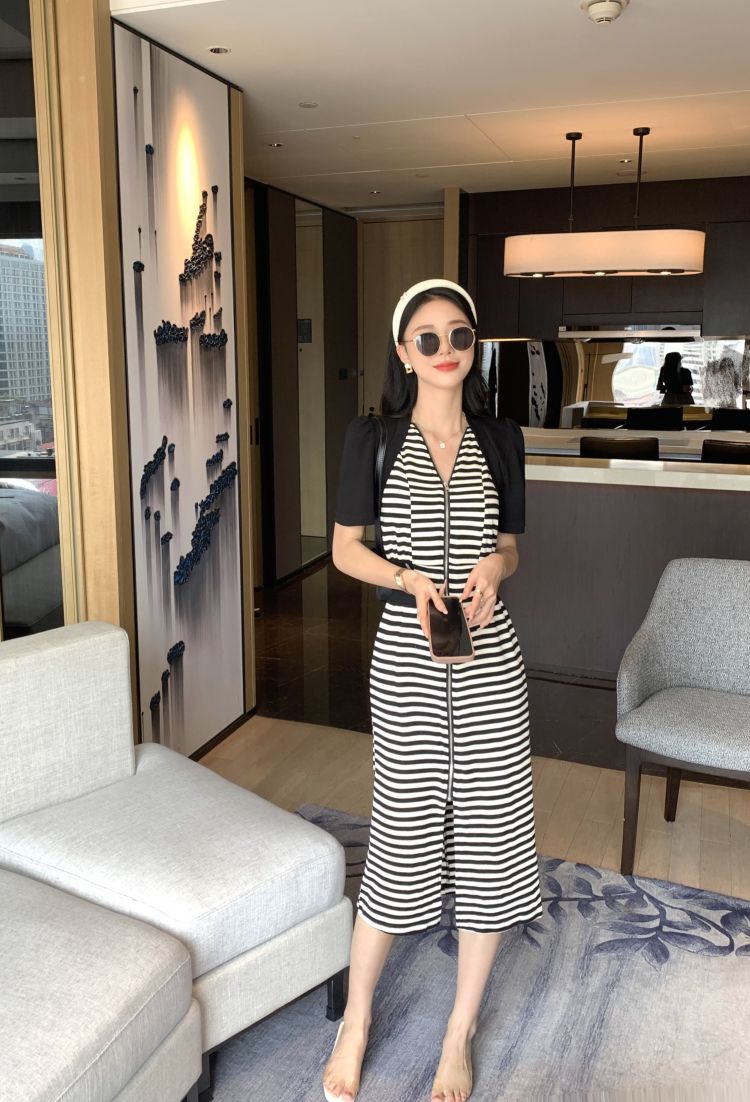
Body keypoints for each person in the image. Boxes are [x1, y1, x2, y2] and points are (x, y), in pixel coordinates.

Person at [323, 279, 543, 1102]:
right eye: (428, 337)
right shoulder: (373, 438)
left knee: (490, 840)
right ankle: (358, 1020)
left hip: (490, 662)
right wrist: (408, 579)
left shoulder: (503, 438)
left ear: (474, 346)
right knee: (400, 837)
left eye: (459, 335)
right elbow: (345, 548)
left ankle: (460, 1032)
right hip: (408, 662)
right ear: (403, 351)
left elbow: (512, 546)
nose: (446, 349)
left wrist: (494, 567)